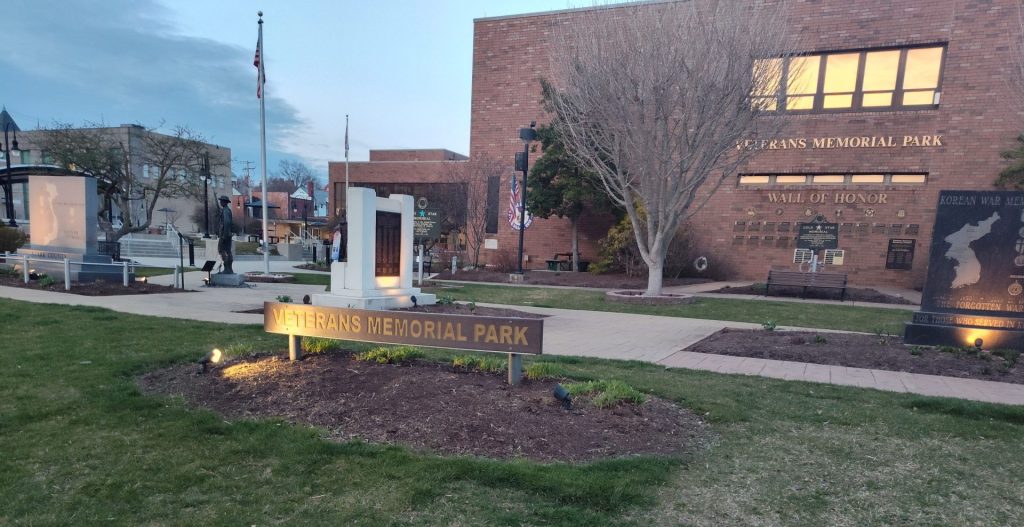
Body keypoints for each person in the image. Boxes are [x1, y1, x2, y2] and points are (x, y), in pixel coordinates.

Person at [217, 195, 234, 274]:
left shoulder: (226, 211)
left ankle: (227, 268)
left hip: (225, 234)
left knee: (222, 250)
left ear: (224, 202)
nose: (220, 202)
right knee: (227, 251)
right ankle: (228, 268)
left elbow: (227, 223)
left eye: (221, 201)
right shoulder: (226, 210)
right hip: (227, 234)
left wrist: (224, 235)